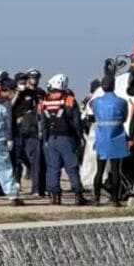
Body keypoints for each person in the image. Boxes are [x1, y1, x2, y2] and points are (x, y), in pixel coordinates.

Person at [40, 73, 88, 206]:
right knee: (72, 167)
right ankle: (78, 195)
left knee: (53, 168)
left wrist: (45, 140)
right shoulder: (69, 100)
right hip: (67, 139)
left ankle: (55, 197)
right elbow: (77, 121)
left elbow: (42, 123)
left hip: (51, 139)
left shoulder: (44, 101)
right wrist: (80, 137)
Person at [88, 75, 129, 206]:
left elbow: (92, 112)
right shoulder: (122, 102)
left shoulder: (96, 102)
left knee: (99, 171)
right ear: (114, 85)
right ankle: (115, 199)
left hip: (101, 139)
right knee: (116, 170)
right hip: (117, 137)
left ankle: (96, 198)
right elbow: (124, 118)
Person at [13, 70, 46, 196]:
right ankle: (16, 185)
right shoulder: (20, 93)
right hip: (19, 129)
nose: (34, 80)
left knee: (36, 160)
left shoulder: (40, 93)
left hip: (33, 130)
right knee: (17, 159)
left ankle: (37, 189)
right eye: (32, 77)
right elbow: (11, 107)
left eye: (36, 77)